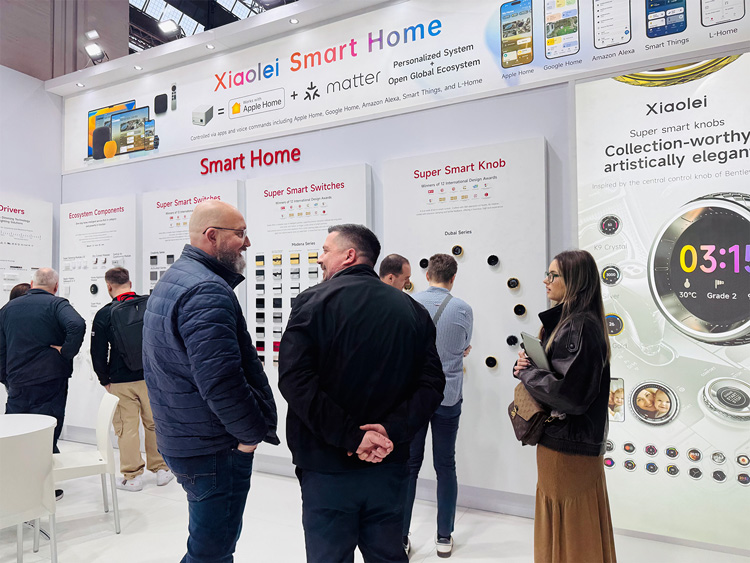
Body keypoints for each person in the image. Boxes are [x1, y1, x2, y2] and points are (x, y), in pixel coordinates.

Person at [279, 224, 445, 563]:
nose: (320, 258)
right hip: (388, 462)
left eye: (326, 250)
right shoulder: (413, 311)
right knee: (387, 555)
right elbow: (432, 385)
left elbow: (295, 381)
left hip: (327, 466)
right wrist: (389, 430)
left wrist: (352, 437)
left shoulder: (312, 302)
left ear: (349, 255)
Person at [142, 200, 279, 563]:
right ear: (212, 236)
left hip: (186, 436)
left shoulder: (176, 278)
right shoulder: (206, 290)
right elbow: (220, 380)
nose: (247, 243)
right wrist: (249, 436)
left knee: (209, 548)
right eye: (241, 234)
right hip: (212, 446)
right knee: (211, 553)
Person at [513, 250, 616, 563]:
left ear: (575, 281)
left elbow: (569, 395)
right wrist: (530, 366)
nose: (546, 281)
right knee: (576, 527)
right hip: (570, 443)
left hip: (567, 446)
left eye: (553, 275)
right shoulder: (573, 323)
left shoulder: (578, 327)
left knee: (569, 531)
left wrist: (527, 373)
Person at [403, 253, 473, 558]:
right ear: (453, 278)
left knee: (409, 466)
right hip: (448, 394)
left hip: (414, 397)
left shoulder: (409, 303)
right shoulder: (463, 309)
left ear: (427, 274)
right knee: (446, 465)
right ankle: (444, 536)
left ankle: (401, 536)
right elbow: (464, 346)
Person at [0, 268, 86, 501]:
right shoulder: (57, 305)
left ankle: (17, 489)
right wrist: (66, 352)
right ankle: (42, 488)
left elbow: (1, 348)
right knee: (46, 434)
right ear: (56, 286)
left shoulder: (8, 309)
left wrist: (5, 378)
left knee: (16, 434)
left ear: (32, 283)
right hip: (50, 380)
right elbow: (77, 324)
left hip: (18, 382)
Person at [90, 267, 172, 492]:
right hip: (151, 377)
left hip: (120, 380)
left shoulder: (105, 314)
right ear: (130, 283)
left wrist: (104, 380)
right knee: (155, 423)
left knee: (127, 428)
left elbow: (97, 352)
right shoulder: (150, 305)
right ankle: (162, 469)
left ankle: (133, 477)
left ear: (108, 286)